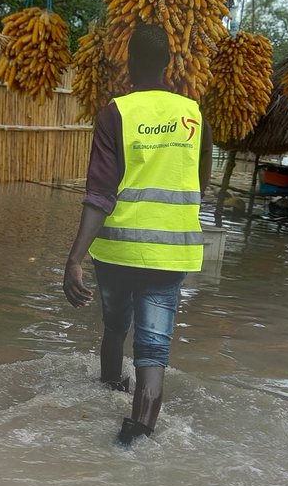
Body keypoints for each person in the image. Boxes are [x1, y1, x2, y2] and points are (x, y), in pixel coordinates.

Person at [63, 23, 213, 447]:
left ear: (128, 63)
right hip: (171, 254)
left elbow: (100, 193)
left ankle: (108, 390)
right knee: (153, 351)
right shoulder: (194, 114)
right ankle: (135, 437)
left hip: (116, 251)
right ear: (169, 63)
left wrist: (75, 258)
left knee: (115, 328)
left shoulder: (117, 112)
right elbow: (201, 181)